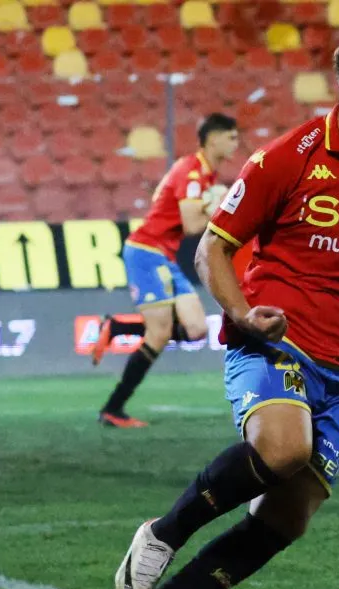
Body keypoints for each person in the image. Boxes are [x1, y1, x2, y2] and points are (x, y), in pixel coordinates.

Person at [93, 22, 339, 589]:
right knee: (283, 447)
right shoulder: (289, 155)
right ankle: (162, 533)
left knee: (287, 520)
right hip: (272, 339)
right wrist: (241, 312)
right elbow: (212, 248)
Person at [92, 114, 239, 428]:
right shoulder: (193, 172)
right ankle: (113, 409)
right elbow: (192, 225)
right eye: (231, 137)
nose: (235, 143)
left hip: (163, 255)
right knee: (158, 334)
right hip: (146, 252)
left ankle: (118, 329)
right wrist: (219, 209)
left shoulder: (204, 173)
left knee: (196, 329)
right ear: (213, 139)